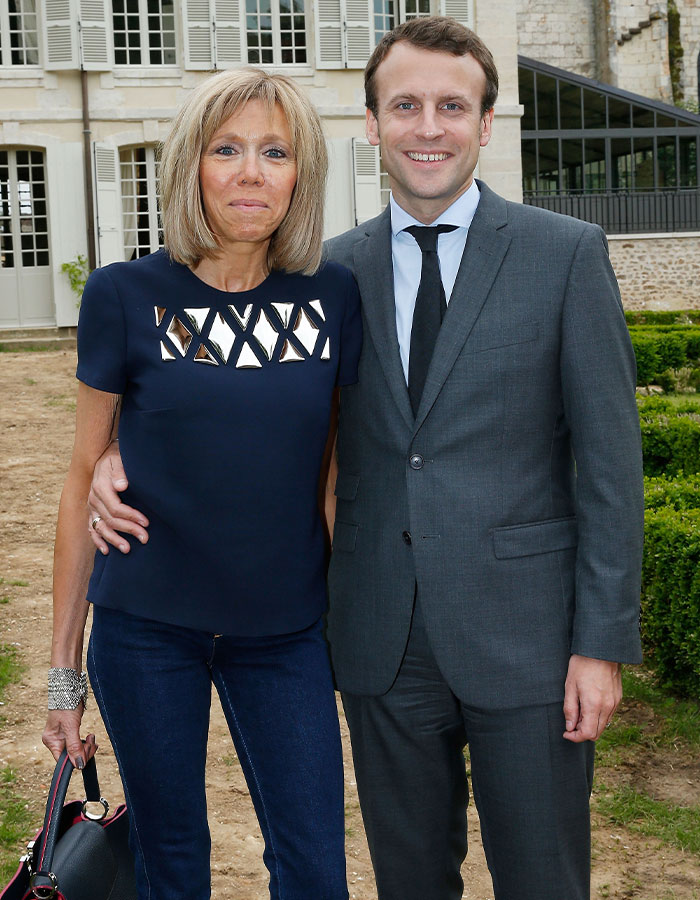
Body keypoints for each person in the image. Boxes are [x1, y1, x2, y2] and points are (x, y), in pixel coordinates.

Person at [86, 17, 644, 900]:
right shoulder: (329, 278)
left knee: (543, 879)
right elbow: (268, 420)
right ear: (373, 124)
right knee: (408, 882)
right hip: (379, 643)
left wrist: (600, 644)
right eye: (406, 106)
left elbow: (611, 467)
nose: (429, 127)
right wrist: (121, 446)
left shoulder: (565, 254)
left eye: (452, 106)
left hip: (530, 644)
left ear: (486, 123)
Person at [42, 67, 361, 900]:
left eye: (275, 152)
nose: (252, 172)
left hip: (285, 634)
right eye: (227, 150)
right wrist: (63, 678)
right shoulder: (125, 295)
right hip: (146, 631)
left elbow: (332, 469)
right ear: (191, 165)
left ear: (301, 174)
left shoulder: (332, 296)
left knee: (316, 869)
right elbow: (82, 477)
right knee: (172, 864)